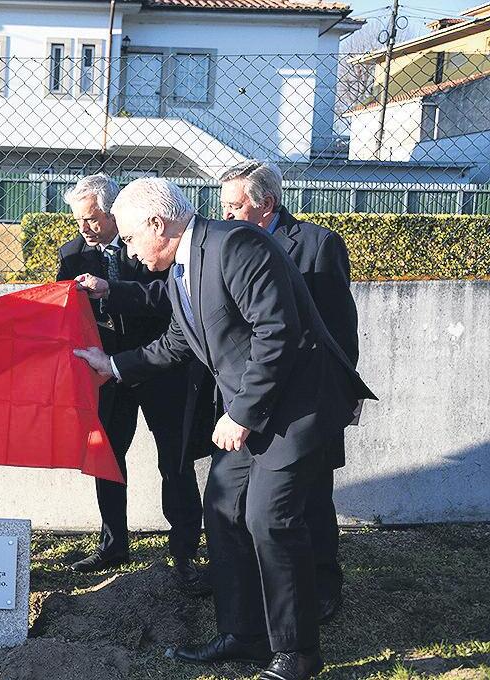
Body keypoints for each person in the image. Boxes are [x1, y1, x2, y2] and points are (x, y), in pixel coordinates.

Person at [73, 178, 375, 680]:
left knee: (269, 519)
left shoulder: (236, 245)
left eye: (128, 237)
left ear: (157, 224)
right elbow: (179, 340)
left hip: (294, 406)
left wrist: (241, 414)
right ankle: (245, 636)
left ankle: (298, 653)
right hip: (251, 409)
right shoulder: (184, 266)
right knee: (222, 509)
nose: (127, 249)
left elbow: (278, 332)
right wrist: (114, 366)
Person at [219, 160, 359, 623]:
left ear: (267, 204)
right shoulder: (228, 246)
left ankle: (324, 586)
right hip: (253, 398)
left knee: (312, 496)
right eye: (223, 207)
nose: (226, 216)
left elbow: (340, 329)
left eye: (235, 206)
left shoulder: (316, 245)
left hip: (306, 403)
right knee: (257, 504)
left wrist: (341, 396)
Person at [57, 174, 208, 596]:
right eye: (78, 220)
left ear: (113, 213)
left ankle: (185, 551)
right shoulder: (71, 255)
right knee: (107, 457)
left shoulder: (149, 242)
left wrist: (114, 292)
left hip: (161, 365)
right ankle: (113, 545)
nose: (85, 228)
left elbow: (169, 297)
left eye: (92, 218)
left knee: (174, 460)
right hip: (105, 372)